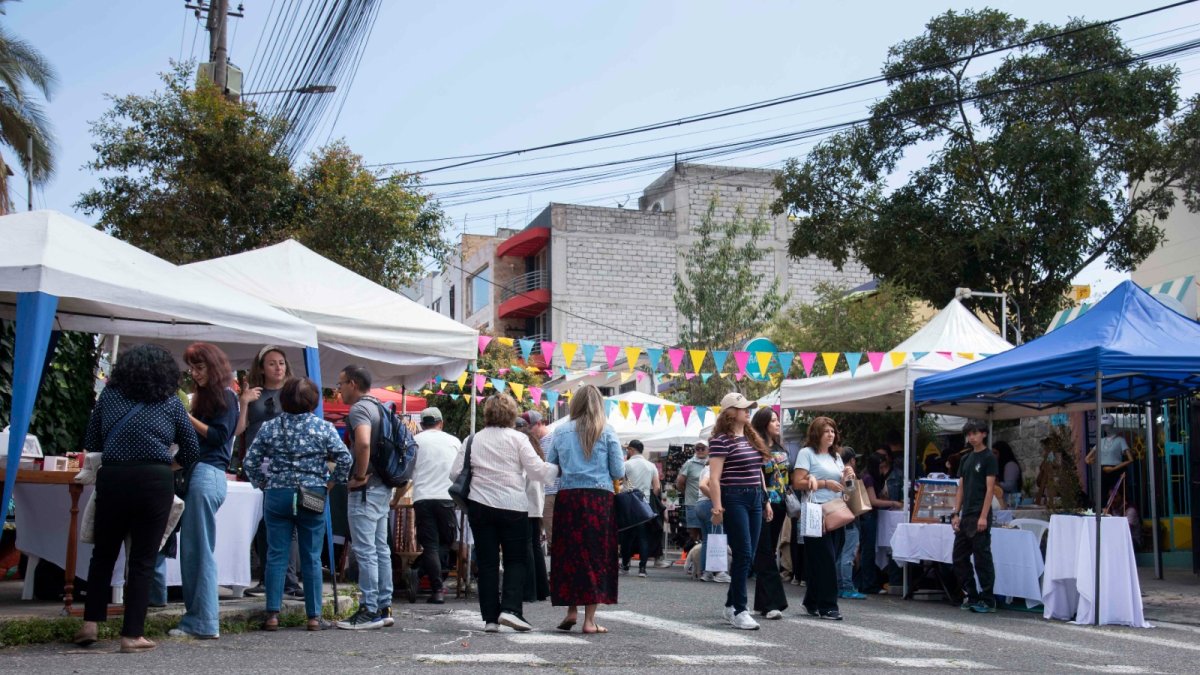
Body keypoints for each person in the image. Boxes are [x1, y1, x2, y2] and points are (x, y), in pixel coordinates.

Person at [73, 345, 200, 653]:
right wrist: (164, 466)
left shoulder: (110, 397)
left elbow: (91, 443)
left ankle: (90, 623)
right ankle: (131, 635)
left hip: (114, 477)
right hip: (154, 480)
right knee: (142, 560)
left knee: (103, 554)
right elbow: (192, 449)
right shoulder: (170, 402)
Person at [243, 378, 352, 631]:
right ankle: (313, 617)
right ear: (313, 402)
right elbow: (345, 459)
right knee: (311, 556)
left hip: (277, 493)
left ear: (283, 400)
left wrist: (263, 483)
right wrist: (329, 484)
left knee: (276, 554)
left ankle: (272, 614)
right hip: (312, 492)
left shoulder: (269, 428)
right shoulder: (323, 428)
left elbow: (250, 462)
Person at [451, 394, 559, 633]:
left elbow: (455, 473)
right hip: (513, 506)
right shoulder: (519, 438)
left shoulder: (472, 439)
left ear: (487, 414)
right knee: (515, 560)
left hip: (480, 505)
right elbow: (538, 472)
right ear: (512, 415)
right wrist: (559, 467)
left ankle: (490, 618)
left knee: (488, 563)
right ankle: (511, 610)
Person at [170, 342, 239, 640]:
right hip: (202, 475)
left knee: (198, 551)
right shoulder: (209, 398)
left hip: (207, 475)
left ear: (214, 367)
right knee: (194, 550)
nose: (195, 373)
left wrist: (186, 417)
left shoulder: (226, 396)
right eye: (192, 368)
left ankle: (203, 621)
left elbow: (220, 435)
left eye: (200, 367)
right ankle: (197, 619)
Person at [546, 384, 625, 634]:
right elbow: (619, 471)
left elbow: (551, 467)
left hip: (569, 498)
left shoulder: (560, 431)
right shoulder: (607, 431)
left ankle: (571, 610)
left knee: (569, 554)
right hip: (599, 499)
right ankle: (589, 621)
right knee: (596, 556)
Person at [238, 346, 302, 601]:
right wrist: (243, 403)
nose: (278, 367)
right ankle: (268, 577)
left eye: (281, 363)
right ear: (262, 367)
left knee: (291, 523)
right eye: (272, 363)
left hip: (287, 465)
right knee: (264, 523)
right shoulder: (253, 394)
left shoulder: (294, 392)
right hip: (258, 465)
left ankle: (290, 580)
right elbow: (238, 430)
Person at [709, 392, 773, 631]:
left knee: (749, 555)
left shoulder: (751, 437)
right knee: (744, 553)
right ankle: (740, 609)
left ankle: (730, 605)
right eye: (743, 407)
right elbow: (714, 479)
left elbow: (758, 472)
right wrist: (717, 507)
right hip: (733, 497)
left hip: (755, 497)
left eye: (749, 407)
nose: (748, 411)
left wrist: (765, 500)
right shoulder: (720, 440)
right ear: (730, 412)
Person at [335, 365, 393, 630]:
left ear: (354, 383)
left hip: (366, 489)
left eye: (341, 384)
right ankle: (383, 606)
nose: (339, 389)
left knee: (366, 550)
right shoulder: (381, 406)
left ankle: (368, 609)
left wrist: (358, 475)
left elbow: (364, 442)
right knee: (381, 549)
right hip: (382, 486)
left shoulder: (359, 409)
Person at [792, 416, 849, 621]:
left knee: (827, 559)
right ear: (817, 433)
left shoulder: (836, 456)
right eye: (826, 431)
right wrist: (825, 483)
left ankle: (811, 601)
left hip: (836, 510)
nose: (831, 435)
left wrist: (847, 475)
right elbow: (798, 482)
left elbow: (842, 482)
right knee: (825, 560)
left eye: (833, 431)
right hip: (816, 511)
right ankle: (828, 606)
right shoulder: (806, 453)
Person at [410, 406, 461, 605]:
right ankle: (435, 586)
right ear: (441, 422)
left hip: (422, 497)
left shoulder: (414, 441)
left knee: (430, 545)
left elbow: (408, 469)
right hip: (447, 497)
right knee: (446, 542)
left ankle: (423, 575)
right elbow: (460, 471)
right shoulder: (454, 441)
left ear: (422, 424)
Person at [952, 420, 998, 613]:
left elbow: (990, 489)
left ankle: (988, 599)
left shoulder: (989, 457)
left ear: (983, 434)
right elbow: (961, 488)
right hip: (966, 515)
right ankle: (971, 594)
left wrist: (984, 516)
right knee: (959, 557)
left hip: (980, 513)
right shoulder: (965, 459)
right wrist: (955, 512)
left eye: (975, 433)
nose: (971, 437)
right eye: (969, 434)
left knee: (982, 558)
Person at [750, 408, 789, 619]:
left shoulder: (781, 447)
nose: (777, 423)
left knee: (769, 550)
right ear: (764, 423)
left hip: (781, 503)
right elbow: (757, 477)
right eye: (773, 420)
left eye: (777, 420)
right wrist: (765, 501)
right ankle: (773, 603)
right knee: (764, 551)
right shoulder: (756, 448)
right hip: (762, 503)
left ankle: (761, 603)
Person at [517, 413, 551, 604]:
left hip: (526, 500)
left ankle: (529, 590)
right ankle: (541, 589)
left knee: (527, 545)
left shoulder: (523, 444)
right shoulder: (534, 444)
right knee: (535, 545)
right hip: (536, 499)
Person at [856, 453, 902, 594]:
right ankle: (868, 584)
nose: (883, 469)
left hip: (865, 516)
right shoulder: (869, 478)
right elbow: (873, 501)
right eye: (881, 466)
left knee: (865, 550)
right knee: (868, 551)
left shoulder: (865, 475)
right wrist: (893, 502)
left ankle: (863, 582)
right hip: (868, 516)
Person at [619, 439, 660, 577]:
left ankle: (625, 565)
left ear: (631, 450)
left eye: (627, 450)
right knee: (644, 537)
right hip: (645, 504)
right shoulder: (651, 465)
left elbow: (618, 481)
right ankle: (642, 568)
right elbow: (657, 487)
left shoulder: (626, 465)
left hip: (629, 505)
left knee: (627, 537)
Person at [835, 446, 866, 600]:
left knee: (841, 555)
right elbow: (851, 496)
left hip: (838, 518)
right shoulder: (849, 475)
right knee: (848, 555)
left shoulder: (836, 472)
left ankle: (840, 586)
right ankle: (847, 586)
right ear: (852, 460)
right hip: (850, 520)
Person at [694, 465, 731, 583]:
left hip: (700, 504)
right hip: (709, 504)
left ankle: (707, 572)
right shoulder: (713, 468)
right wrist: (717, 501)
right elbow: (702, 485)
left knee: (707, 540)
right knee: (717, 537)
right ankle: (719, 571)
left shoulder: (706, 468)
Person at [1086, 414, 1133, 505]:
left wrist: (1114, 468)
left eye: (1107, 425)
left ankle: (1121, 514)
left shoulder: (1120, 440)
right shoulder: (1101, 441)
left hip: (1117, 470)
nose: (1105, 427)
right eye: (1103, 425)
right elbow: (1087, 458)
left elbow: (1130, 459)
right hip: (1103, 471)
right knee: (1102, 495)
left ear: (1112, 425)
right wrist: (1094, 460)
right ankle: (1103, 513)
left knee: (1119, 494)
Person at [676, 442, 708, 548]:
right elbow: (680, 483)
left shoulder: (711, 463)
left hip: (709, 502)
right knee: (694, 533)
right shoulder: (689, 463)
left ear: (708, 449)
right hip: (692, 503)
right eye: (697, 448)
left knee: (706, 533)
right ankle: (693, 558)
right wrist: (687, 494)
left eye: (702, 448)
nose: (699, 451)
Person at [994, 441, 1023, 505]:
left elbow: (1009, 485)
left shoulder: (1010, 465)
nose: (993, 456)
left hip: (1011, 501)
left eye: (995, 453)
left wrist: (996, 483)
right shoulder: (999, 465)